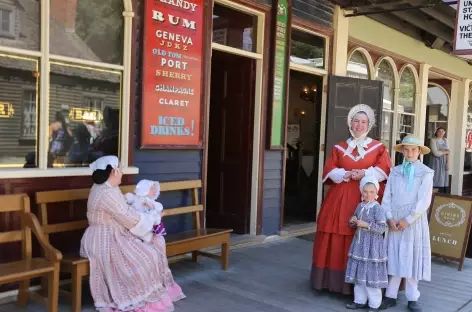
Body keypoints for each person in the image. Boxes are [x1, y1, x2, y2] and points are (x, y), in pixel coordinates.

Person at [80, 156, 185, 312]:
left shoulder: (105, 188)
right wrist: (153, 217)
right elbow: (129, 218)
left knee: (152, 247)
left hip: (111, 233)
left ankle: (148, 291)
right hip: (104, 239)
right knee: (144, 257)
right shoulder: (106, 192)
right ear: (113, 172)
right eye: (120, 169)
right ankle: (136, 297)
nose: (122, 172)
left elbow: (123, 210)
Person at [311, 104, 392, 295]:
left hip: (366, 197)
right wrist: (345, 174)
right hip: (339, 198)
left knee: (364, 234)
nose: (359, 125)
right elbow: (329, 171)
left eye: (364, 122)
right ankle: (333, 282)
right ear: (350, 123)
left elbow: (385, 171)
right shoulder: (339, 147)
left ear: (369, 124)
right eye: (356, 121)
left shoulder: (379, 147)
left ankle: (363, 285)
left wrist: (364, 173)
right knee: (336, 231)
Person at [380, 135, 433, 312]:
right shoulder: (395, 171)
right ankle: (390, 295)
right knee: (394, 255)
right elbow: (387, 196)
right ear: (402, 151)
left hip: (413, 221)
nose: (410, 152)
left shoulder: (425, 172)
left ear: (419, 152)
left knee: (411, 257)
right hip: (394, 219)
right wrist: (388, 217)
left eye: (413, 149)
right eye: (406, 149)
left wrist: (408, 220)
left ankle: (412, 297)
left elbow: (424, 200)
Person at [345, 176, 388, 312]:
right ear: (362, 192)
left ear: (376, 193)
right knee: (359, 274)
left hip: (372, 247)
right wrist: (353, 221)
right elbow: (355, 223)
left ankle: (374, 304)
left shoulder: (377, 208)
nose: (368, 194)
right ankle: (359, 301)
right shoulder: (360, 206)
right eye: (365, 191)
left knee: (371, 276)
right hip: (359, 245)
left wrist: (367, 225)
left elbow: (382, 228)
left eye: (371, 192)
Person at [429, 127, 449, 193]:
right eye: (439, 131)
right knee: (436, 178)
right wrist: (444, 152)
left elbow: (448, 152)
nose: (441, 133)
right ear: (436, 132)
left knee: (444, 179)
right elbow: (436, 153)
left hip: (444, 162)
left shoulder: (445, 140)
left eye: (442, 131)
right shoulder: (433, 140)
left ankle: (443, 195)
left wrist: (448, 163)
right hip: (436, 162)